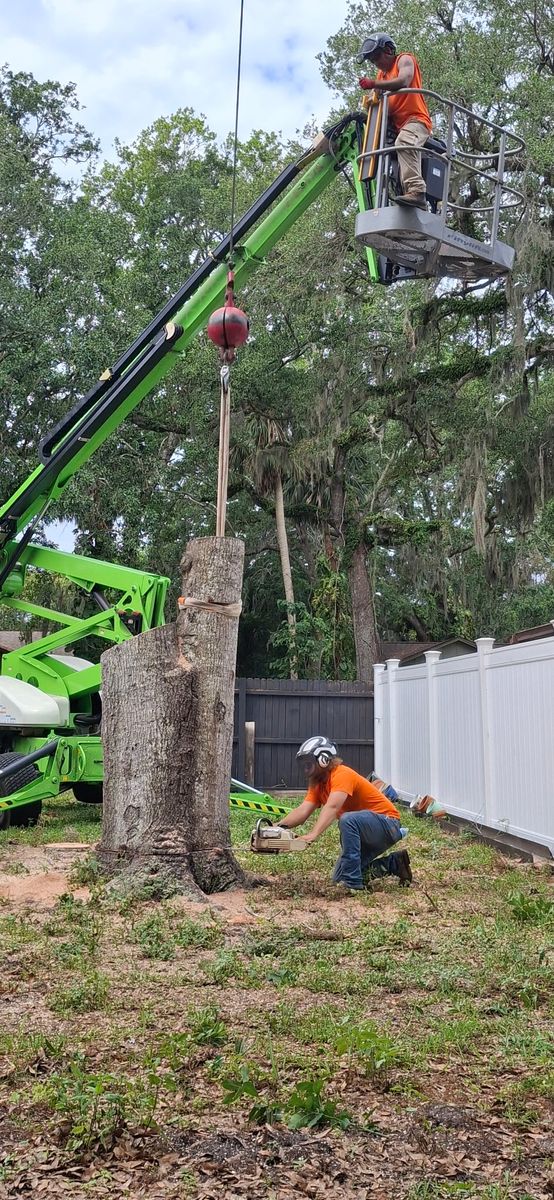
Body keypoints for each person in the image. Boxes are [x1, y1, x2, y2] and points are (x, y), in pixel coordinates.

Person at [279, 735, 412, 892]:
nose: (306, 769)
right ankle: (395, 863)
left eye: (309, 763)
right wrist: (276, 829)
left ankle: (353, 884)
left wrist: (313, 834)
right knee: (339, 878)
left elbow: (333, 807)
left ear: (324, 759)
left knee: (347, 820)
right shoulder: (318, 784)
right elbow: (302, 811)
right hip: (364, 830)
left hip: (387, 824)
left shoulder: (342, 774)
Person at [357, 32, 432, 211]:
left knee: (404, 142)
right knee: (386, 152)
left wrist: (373, 84)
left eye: (376, 57)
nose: (376, 62)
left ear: (389, 50)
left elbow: (404, 81)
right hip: (400, 126)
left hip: (416, 120)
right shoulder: (382, 76)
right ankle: (400, 197)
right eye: (372, 60)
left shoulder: (404, 60)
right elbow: (384, 107)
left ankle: (417, 192)